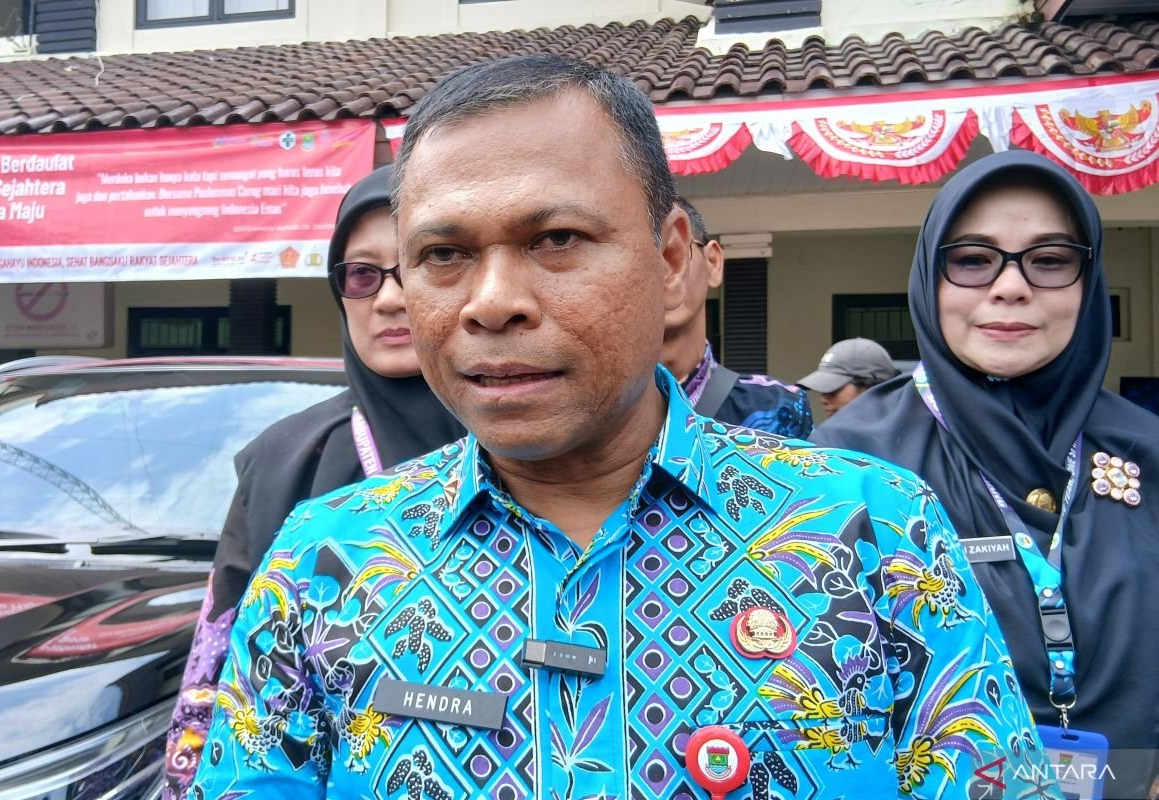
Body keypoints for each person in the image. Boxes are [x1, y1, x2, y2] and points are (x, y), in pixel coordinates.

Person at [190, 56, 1055, 800]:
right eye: (443, 255)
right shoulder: (324, 563)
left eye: (557, 238)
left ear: (672, 261)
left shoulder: (873, 532)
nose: (492, 302)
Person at [812, 150, 1159, 799]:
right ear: (930, 277)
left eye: (1050, 260)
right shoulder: (848, 463)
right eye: (973, 260)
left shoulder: (1147, 449)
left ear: (1089, 281)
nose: (1011, 286)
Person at [160, 165, 465, 800]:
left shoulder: (538, 445)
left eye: (422, 263)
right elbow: (215, 677)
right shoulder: (285, 461)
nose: (389, 299)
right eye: (362, 275)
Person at [662, 196, 813, 437]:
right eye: (643, 255)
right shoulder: (601, 413)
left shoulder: (778, 407)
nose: (664, 272)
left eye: (674, 252)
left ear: (713, 262)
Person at [797, 337, 899, 417]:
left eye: (833, 390)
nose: (823, 400)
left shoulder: (905, 434)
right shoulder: (830, 435)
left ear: (872, 388)